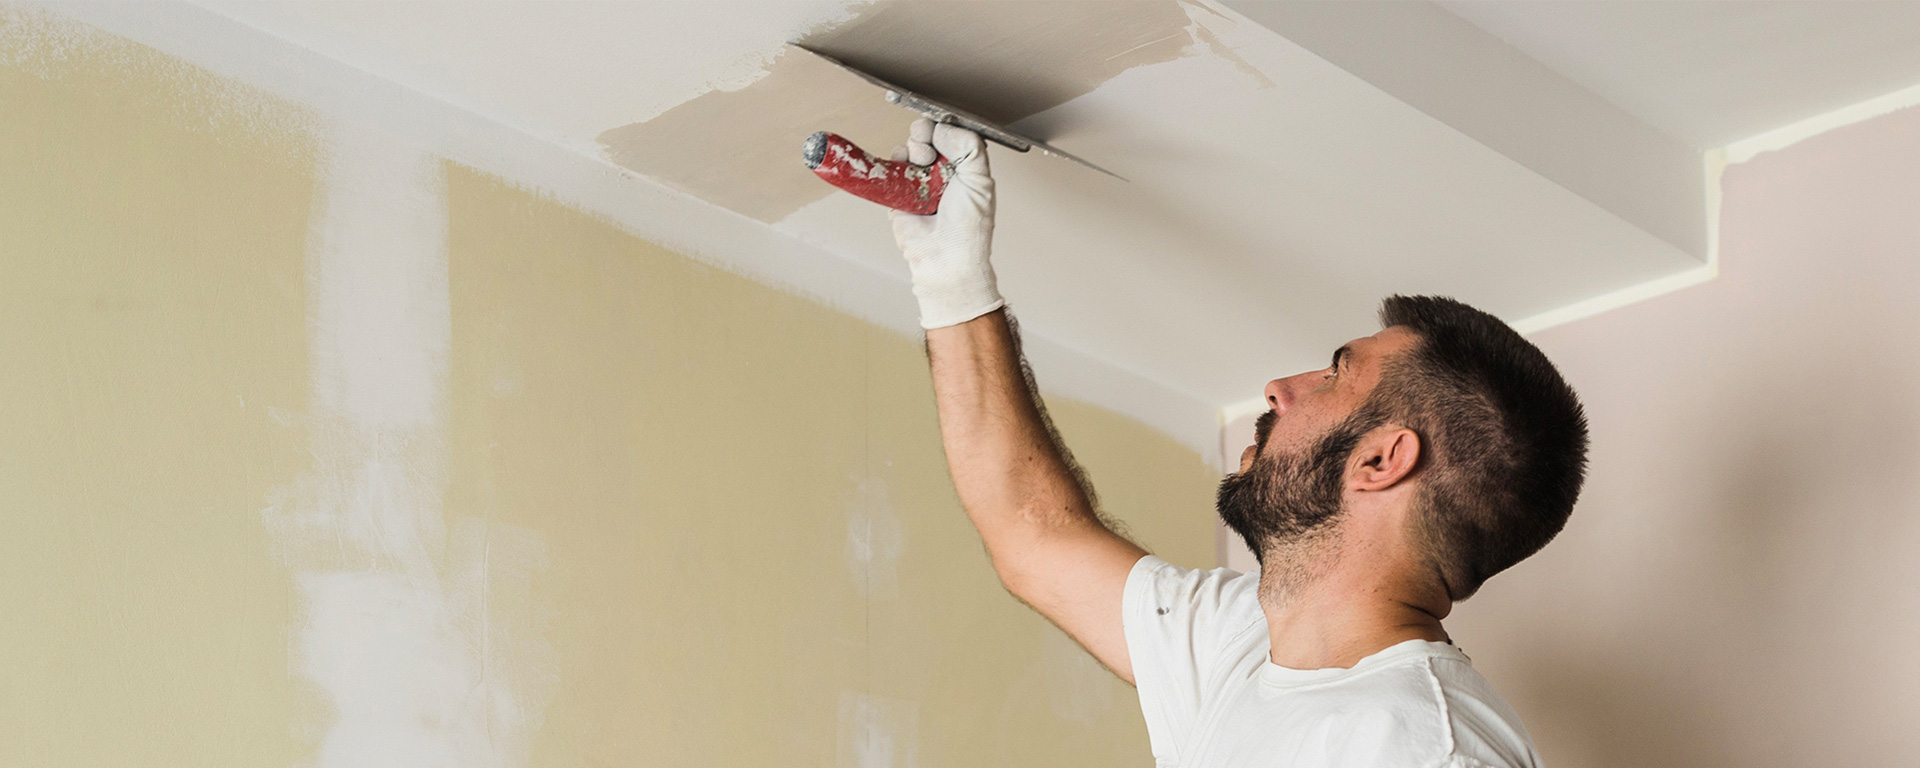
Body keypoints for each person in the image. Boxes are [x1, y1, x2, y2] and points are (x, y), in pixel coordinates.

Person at [889, 117, 1590, 768]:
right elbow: (1034, 535)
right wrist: (953, 286)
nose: (1280, 389)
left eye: (1335, 373)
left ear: (1381, 460)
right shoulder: (1241, 641)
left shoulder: (1422, 746)